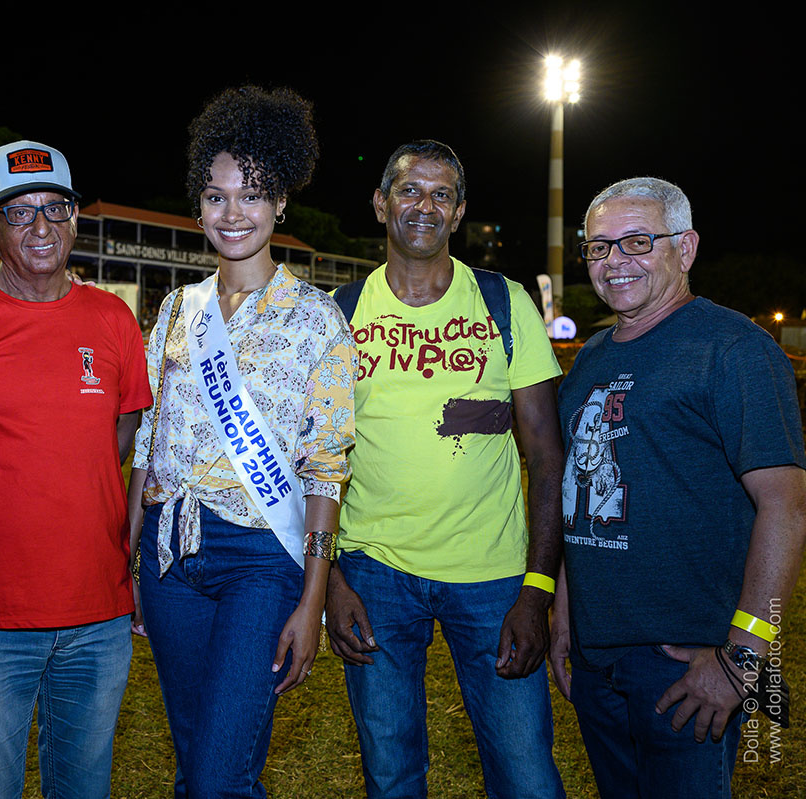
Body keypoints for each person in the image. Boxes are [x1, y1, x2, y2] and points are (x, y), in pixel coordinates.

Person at [126, 86, 357, 798]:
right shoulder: (175, 309)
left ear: (280, 201)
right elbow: (146, 440)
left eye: (252, 195)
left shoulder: (319, 319)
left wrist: (313, 597)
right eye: (217, 196)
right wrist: (131, 554)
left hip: (262, 559)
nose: (233, 214)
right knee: (199, 761)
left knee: (219, 772)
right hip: (169, 553)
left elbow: (325, 470)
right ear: (199, 205)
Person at [0, 139, 151, 799]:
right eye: (20, 212)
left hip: (97, 616)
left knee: (83, 788)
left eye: (55, 208)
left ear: (74, 216)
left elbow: (119, 437)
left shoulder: (112, 319)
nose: (41, 227)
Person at [325, 140, 566, 799]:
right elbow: (313, 462)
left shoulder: (503, 302)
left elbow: (545, 454)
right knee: (392, 774)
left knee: (527, 777)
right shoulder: (338, 314)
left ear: (459, 213)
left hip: (492, 576)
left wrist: (537, 589)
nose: (423, 206)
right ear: (380, 203)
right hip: (374, 573)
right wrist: (332, 580)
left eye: (441, 194)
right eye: (409, 190)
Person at [550, 177, 806, 798]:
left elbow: (788, 507)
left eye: (637, 242)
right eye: (598, 247)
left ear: (685, 248)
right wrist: (564, 614)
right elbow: (573, 491)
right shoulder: (592, 357)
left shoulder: (735, 348)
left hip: (688, 663)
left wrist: (744, 658)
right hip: (597, 657)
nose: (615, 262)